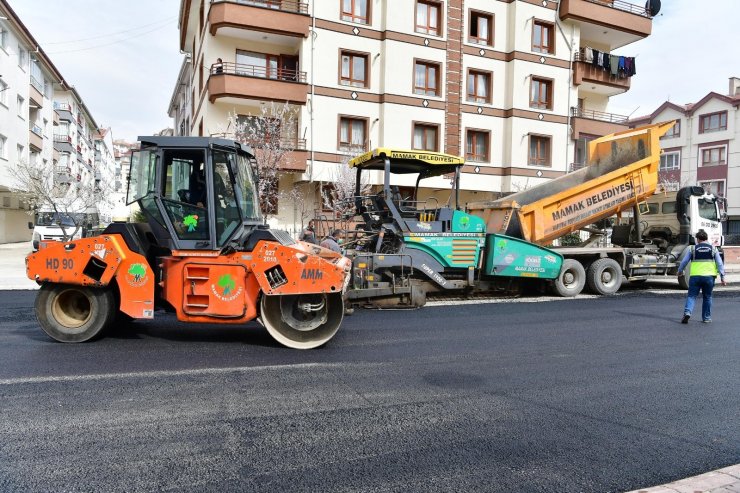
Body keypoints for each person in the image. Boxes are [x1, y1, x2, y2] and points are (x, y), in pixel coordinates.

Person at [677, 229, 726, 324]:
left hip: (695, 277)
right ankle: (706, 318)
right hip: (709, 277)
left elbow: (684, 261)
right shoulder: (713, 249)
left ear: (698, 239)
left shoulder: (693, 249)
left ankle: (687, 312)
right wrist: (723, 277)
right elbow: (719, 263)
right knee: (707, 297)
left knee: (691, 296)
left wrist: (680, 271)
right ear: (706, 238)